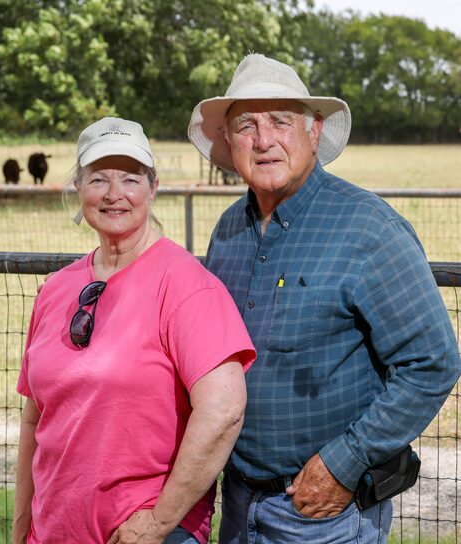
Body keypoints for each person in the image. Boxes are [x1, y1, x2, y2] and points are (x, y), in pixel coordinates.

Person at [188, 53, 461, 543]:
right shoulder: (228, 231)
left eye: (281, 121)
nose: (264, 139)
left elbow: (432, 363)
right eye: (246, 125)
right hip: (236, 502)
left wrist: (343, 464)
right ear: (229, 141)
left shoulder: (370, 230)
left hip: (323, 514)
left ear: (313, 132)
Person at [13, 117, 256, 544]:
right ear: (78, 188)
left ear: (153, 187)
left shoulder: (186, 286)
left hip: (142, 535)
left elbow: (223, 412)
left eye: (130, 179)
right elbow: (34, 422)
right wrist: (21, 530)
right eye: (98, 179)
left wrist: (157, 525)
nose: (113, 194)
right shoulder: (56, 289)